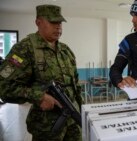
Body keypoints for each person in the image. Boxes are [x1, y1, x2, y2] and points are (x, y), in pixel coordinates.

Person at [0, 4, 82, 141]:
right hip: (46, 128)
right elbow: (4, 87)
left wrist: (82, 110)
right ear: (38, 22)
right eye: (53, 22)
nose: (58, 27)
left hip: (73, 124)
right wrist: (39, 97)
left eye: (60, 22)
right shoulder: (24, 49)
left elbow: (76, 86)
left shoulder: (65, 50)